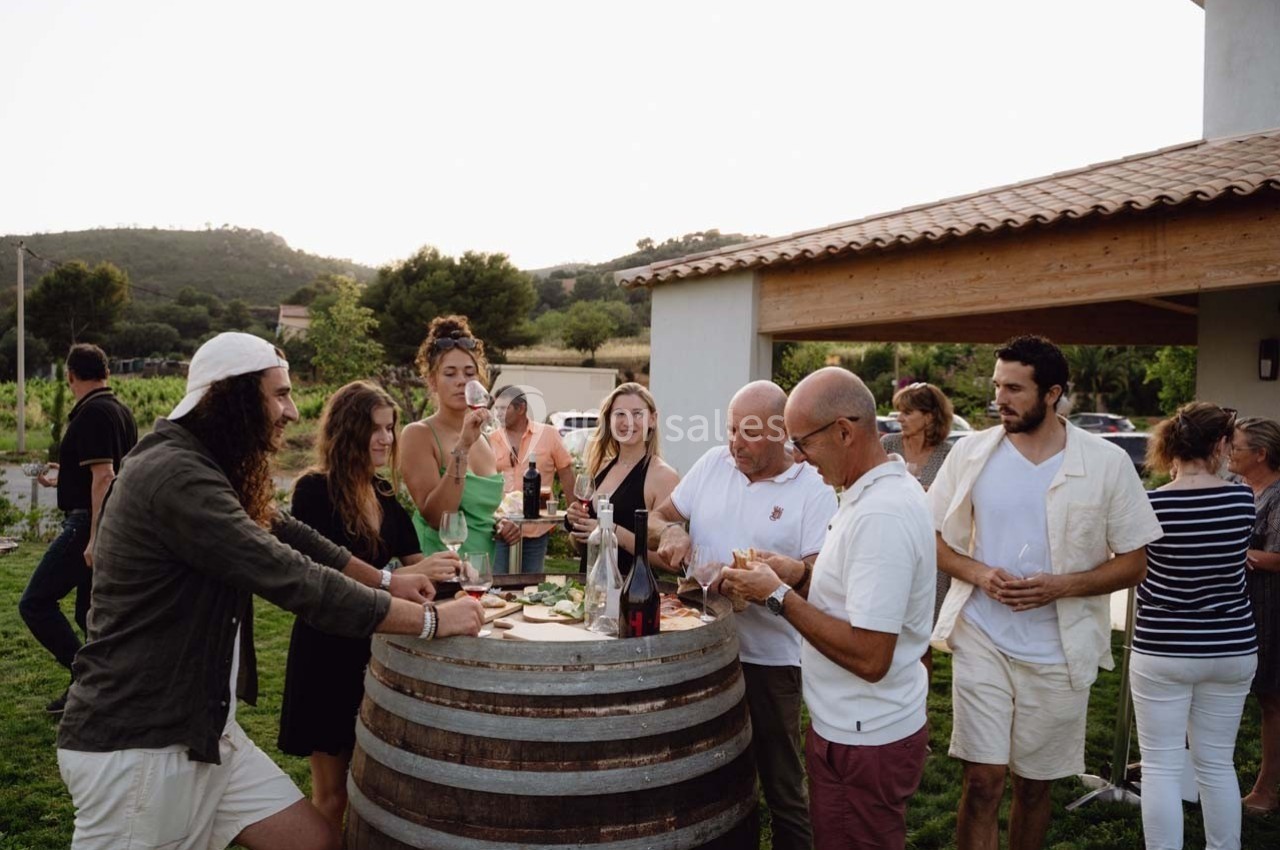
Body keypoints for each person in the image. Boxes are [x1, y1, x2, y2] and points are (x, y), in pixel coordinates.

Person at [55, 332, 484, 850]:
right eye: (279, 394)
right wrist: (433, 620)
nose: (292, 411)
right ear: (232, 396)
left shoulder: (205, 462)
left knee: (316, 841)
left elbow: (286, 531)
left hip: (206, 731)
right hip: (142, 744)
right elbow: (290, 575)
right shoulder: (174, 475)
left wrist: (387, 579)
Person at [928, 335, 1162, 850]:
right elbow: (934, 538)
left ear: (1052, 392)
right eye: (997, 386)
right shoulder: (970, 454)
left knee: (1034, 788)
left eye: (1014, 388)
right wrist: (978, 572)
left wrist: (1063, 586)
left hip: (1060, 651)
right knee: (982, 781)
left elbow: (1136, 560)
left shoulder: (1107, 463)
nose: (1000, 399)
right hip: (983, 637)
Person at [720, 368, 934, 850]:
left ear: (844, 431)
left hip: (863, 739)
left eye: (803, 442)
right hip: (861, 728)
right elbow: (854, 597)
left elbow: (871, 656)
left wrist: (776, 594)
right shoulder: (873, 495)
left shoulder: (881, 514)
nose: (796, 456)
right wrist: (797, 574)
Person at [652, 381, 838, 850]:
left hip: (771, 660)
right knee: (704, 781)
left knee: (782, 786)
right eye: (732, 428)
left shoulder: (814, 486)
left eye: (750, 432)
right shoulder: (714, 463)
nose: (735, 442)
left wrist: (777, 579)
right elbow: (658, 516)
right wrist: (671, 530)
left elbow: (821, 579)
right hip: (699, 652)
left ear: (783, 431)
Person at [277, 381, 463, 833]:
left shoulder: (381, 493)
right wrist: (398, 580)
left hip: (375, 655)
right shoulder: (313, 491)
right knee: (332, 795)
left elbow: (417, 568)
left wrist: (447, 573)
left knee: (373, 785)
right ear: (347, 432)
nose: (385, 438)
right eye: (375, 428)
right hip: (326, 654)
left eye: (390, 428)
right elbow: (324, 575)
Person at [1129, 402, 1256, 850]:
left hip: (1162, 646)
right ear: (1220, 445)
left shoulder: (1149, 505)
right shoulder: (1242, 498)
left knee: (1160, 767)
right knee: (1218, 765)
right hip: (1230, 646)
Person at [19, 343, 137, 715]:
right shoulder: (121, 411)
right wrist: (65, 475)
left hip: (90, 521)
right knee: (88, 611)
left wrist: (94, 538)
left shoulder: (92, 414)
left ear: (71, 375)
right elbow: (99, 471)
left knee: (35, 602)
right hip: (109, 518)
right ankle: (99, 692)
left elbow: (105, 477)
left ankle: (86, 677)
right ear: (106, 372)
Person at [400, 316, 509, 564]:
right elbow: (439, 517)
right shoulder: (418, 435)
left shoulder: (483, 438)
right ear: (432, 382)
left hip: (483, 571)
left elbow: (479, 513)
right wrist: (462, 447)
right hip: (440, 573)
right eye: (450, 373)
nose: (462, 380)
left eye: (469, 373)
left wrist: (500, 524)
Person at [565, 382, 679, 574]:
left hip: (633, 595)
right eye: (619, 414)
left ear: (652, 419)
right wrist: (576, 523)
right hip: (591, 591)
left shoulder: (664, 477)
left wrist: (612, 533)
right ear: (609, 420)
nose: (628, 422)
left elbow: (670, 561)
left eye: (637, 414)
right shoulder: (600, 467)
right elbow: (581, 547)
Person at [882, 380, 954, 677]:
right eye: (899, 411)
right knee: (886, 626)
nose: (899, 418)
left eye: (907, 412)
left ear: (929, 416)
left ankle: (917, 705)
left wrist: (928, 496)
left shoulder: (949, 454)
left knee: (921, 636)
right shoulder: (888, 445)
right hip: (890, 546)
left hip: (931, 554)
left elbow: (957, 505)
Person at [1229, 416, 1280, 815]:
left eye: (1237, 446)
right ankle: (1181, 771)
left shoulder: (1278, 496)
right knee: (1209, 692)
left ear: (1261, 454)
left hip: (1271, 610)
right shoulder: (1233, 488)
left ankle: (1266, 789)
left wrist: (1232, 553)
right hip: (1230, 608)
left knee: (1271, 699)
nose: (1229, 451)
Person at [488, 385, 575, 573]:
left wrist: (573, 509)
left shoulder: (548, 434)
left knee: (531, 583)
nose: (498, 413)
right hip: (501, 527)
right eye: (496, 408)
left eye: (504, 408)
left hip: (537, 526)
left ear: (521, 409)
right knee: (498, 583)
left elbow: (566, 470)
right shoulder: (490, 439)